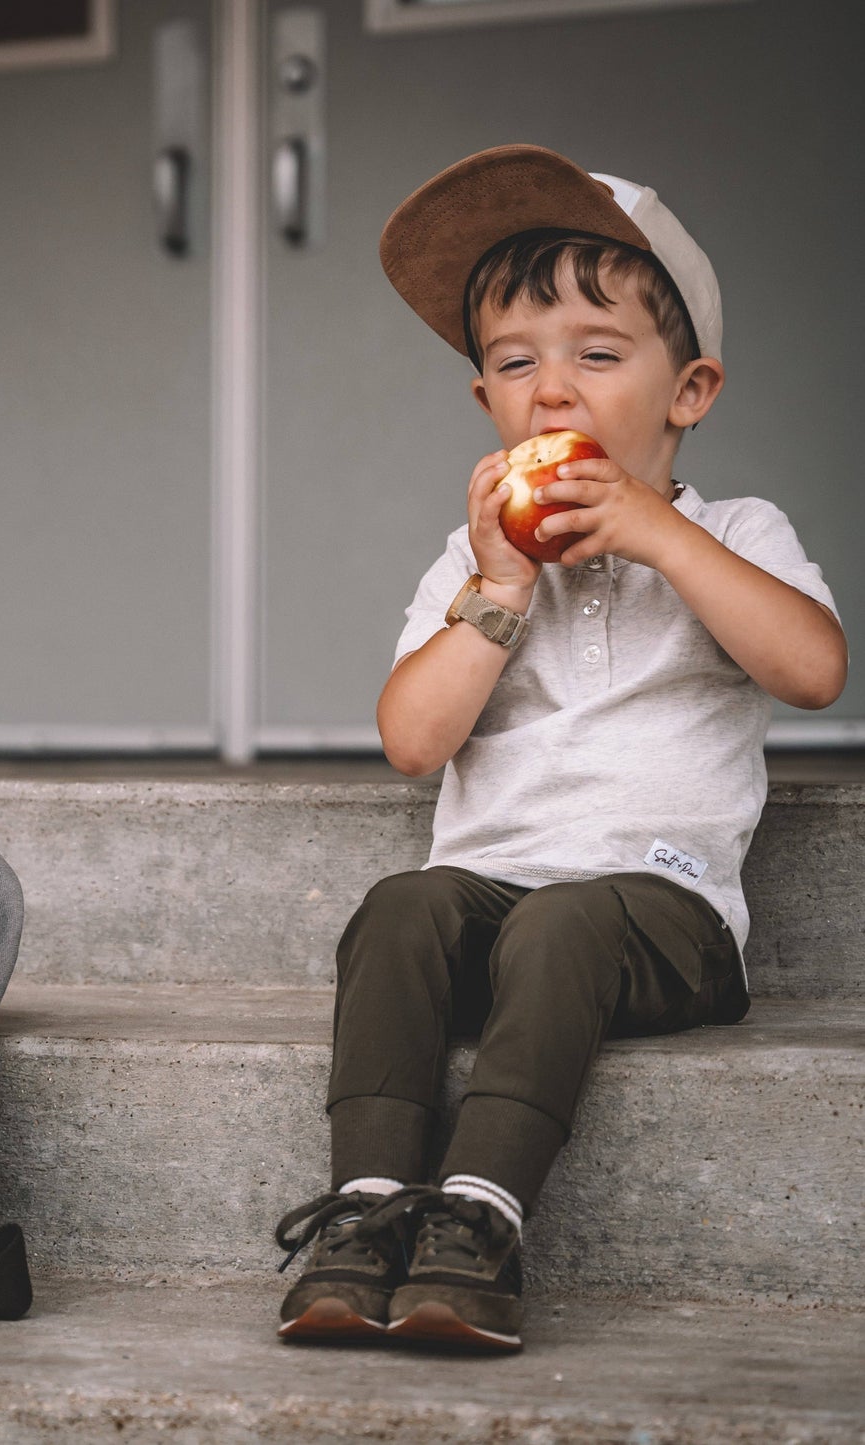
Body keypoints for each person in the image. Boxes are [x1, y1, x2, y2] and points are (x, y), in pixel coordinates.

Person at [274, 144, 847, 1353]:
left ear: (687, 391)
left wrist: (657, 535)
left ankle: (478, 1213)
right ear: (483, 402)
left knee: (564, 920)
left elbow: (810, 669)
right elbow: (410, 741)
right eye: (512, 362)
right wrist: (495, 587)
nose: (551, 390)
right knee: (396, 905)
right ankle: (366, 1208)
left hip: (661, 915)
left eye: (596, 354)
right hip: (495, 905)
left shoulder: (734, 532)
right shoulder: (473, 560)